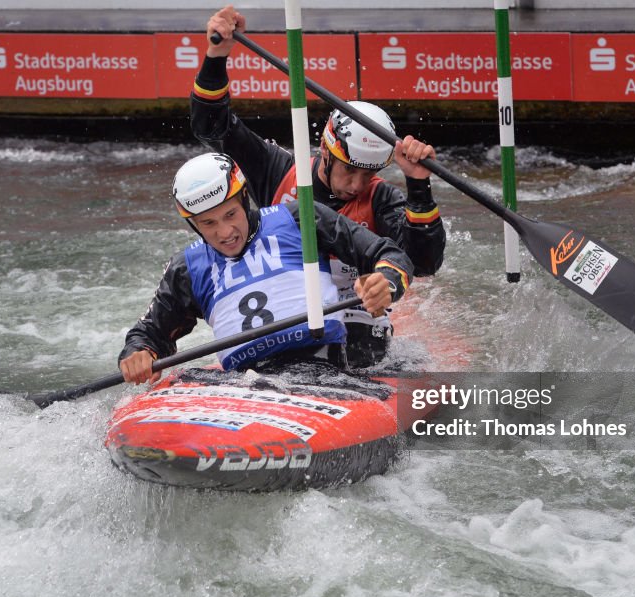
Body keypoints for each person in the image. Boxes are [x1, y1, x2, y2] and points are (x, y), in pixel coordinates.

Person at [190, 5, 446, 367]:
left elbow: (423, 264)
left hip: (354, 320)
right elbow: (210, 127)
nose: (356, 184)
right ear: (326, 151)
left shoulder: (381, 198)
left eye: (367, 174)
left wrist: (418, 185)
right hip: (282, 310)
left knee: (355, 343)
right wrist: (216, 56)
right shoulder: (278, 170)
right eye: (349, 171)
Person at [119, 152, 413, 385]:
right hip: (244, 383)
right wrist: (139, 352)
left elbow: (388, 253)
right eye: (208, 223)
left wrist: (385, 282)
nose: (224, 232)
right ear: (192, 224)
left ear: (244, 198)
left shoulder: (301, 218)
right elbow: (149, 332)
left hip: (325, 369)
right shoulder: (187, 267)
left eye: (230, 214)